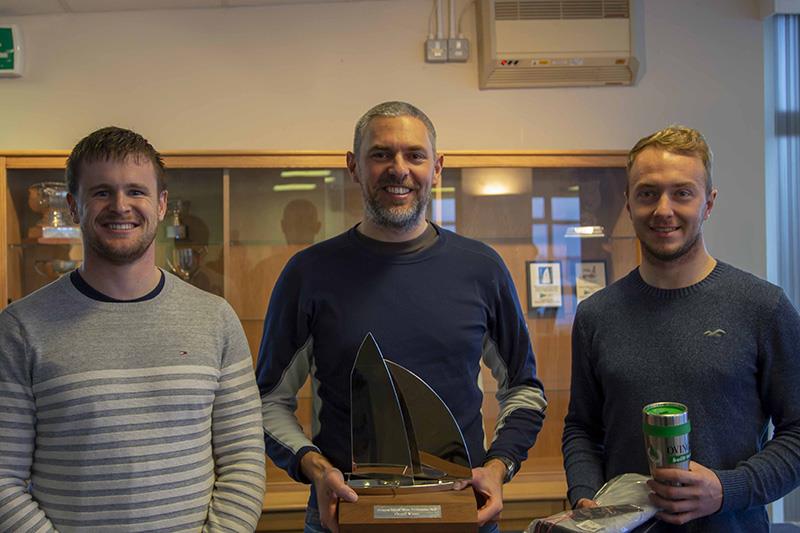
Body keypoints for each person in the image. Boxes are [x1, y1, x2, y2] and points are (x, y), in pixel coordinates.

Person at [258, 101, 547, 533]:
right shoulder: (308, 273)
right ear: (353, 166)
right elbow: (267, 402)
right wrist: (315, 468)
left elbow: (524, 390)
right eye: (380, 154)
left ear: (437, 168)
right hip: (344, 516)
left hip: (461, 514)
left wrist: (499, 466)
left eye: (415, 155)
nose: (399, 169)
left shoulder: (482, 269)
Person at [0, 127, 266, 531]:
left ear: (161, 205)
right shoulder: (20, 328)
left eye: (136, 192)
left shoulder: (215, 319)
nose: (120, 206)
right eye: (102, 192)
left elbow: (244, 460)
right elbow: (3, 480)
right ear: (74, 206)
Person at [562, 125, 800, 532]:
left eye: (682, 193)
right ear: (628, 203)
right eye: (648, 193)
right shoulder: (596, 315)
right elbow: (582, 428)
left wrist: (728, 489)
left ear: (708, 203)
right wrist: (585, 494)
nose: (663, 209)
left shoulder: (764, 307)